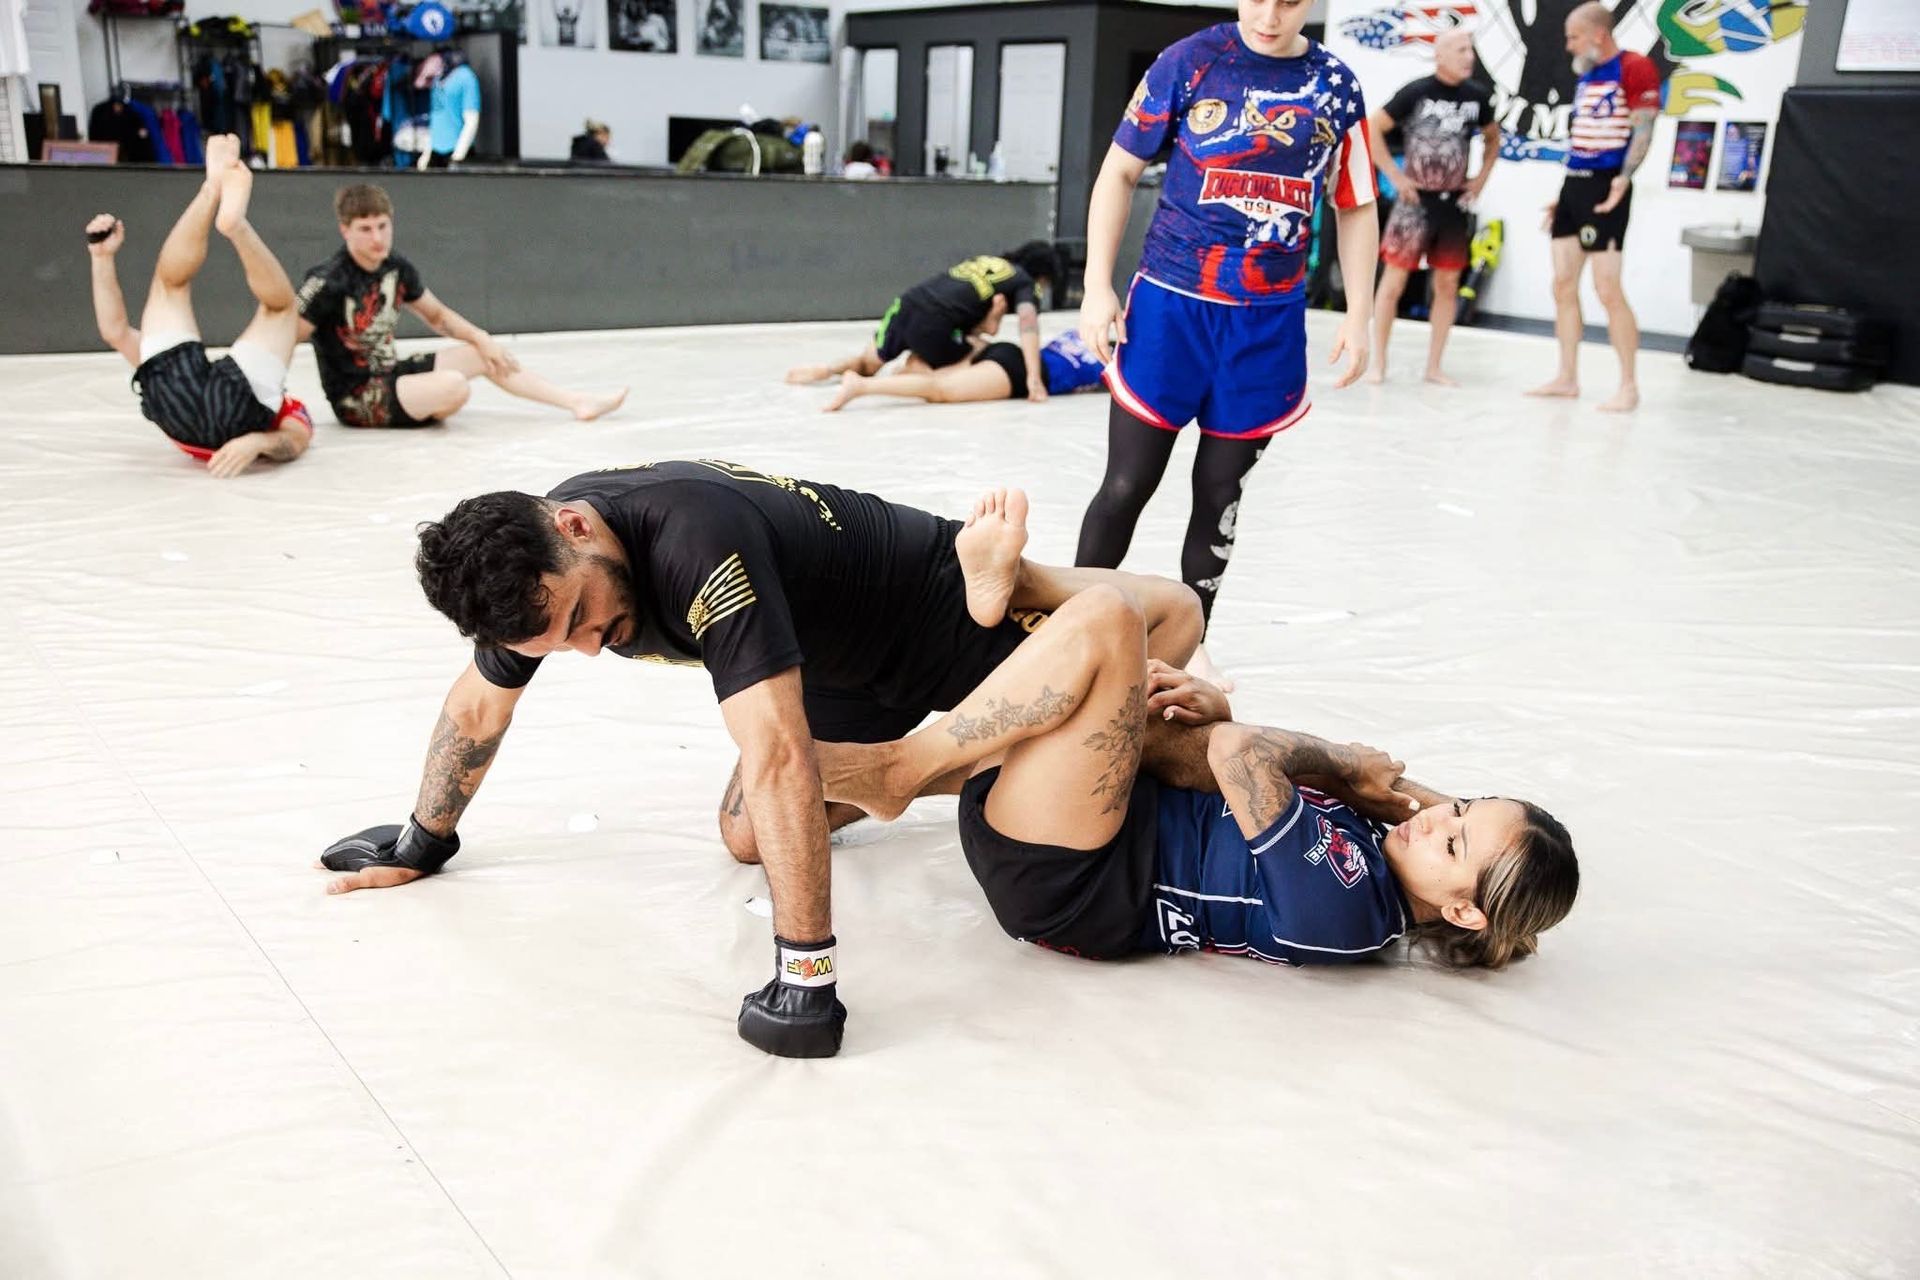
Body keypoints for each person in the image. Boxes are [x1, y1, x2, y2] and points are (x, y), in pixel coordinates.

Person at [314, 466, 1203, 1059]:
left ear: (576, 526)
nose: (586, 648)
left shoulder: (698, 546)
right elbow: (479, 703)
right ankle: (951, 758)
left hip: (943, 617)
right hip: (848, 673)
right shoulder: (533, 569)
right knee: (746, 833)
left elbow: (777, 753)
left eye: (584, 618)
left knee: (1161, 688)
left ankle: (1028, 591)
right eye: (558, 642)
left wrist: (805, 973)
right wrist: (421, 838)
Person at [815, 494, 1578, 971]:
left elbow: (1242, 757)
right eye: (1461, 806)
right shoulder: (1394, 845)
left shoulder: (1348, 913)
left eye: (1454, 843)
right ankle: (1021, 587)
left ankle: (902, 769)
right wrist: (1211, 710)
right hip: (1104, 813)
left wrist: (1340, 763)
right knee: (1179, 610)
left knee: (1112, 624)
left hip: (1069, 879)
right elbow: (1250, 762)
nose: (1436, 819)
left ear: (1463, 912)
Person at [1075, 0, 1380, 691]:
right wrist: (1098, 285)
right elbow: (1118, 172)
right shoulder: (1190, 61)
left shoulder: (1335, 85)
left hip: (1265, 325)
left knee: (1219, 493)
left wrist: (1359, 313)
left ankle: (1189, 644)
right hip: (1171, 310)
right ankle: (1071, 628)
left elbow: (1356, 203)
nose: (1270, 14)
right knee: (1127, 485)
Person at [295, 183, 627, 428]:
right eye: (365, 230)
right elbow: (289, 333)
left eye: (383, 226)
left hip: (389, 374)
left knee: (481, 354)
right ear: (344, 230)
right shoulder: (328, 280)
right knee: (454, 386)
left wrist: (482, 338)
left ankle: (576, 401)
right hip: (355, 396)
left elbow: (437, 316)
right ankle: (431, 399)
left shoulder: (395, 267)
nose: (378, 238)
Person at [84, 134, 313, 478]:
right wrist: (257, 443)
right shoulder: (286, 405)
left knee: (171, 285)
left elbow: (114, 331)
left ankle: (211, 190)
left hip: (176, 401)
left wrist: (101, 258)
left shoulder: (176, 372)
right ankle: (234, 226)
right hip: (237, 415)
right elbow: (295, 440)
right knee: (280, 311)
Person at [1526, 1, 1659, 413]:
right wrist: (1565, 194)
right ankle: (1567, 377)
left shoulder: (1634, 67)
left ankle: (1628, 385)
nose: (1568, 46)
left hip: (1606, 188)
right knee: (1562, 284)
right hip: (1574, 185)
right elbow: (1585, 136)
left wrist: (1622, 179)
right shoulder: (1586, 75)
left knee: (1607, 288)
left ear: (1597, 34)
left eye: (1573, 37)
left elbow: (1643, 128)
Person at [1366, 29, 1499, 386]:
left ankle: (1434, 366)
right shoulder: (1417, 92)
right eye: (1460, 50)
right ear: (1439, 55)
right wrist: (1395, 176)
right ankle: (1378, 362)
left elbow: (1492, 138)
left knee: (1448, 283)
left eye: (1470, 49)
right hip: (1414, 203)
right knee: (1393, 282)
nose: (1468, 56)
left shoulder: (1477, 97)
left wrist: (1481, 178)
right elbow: (1373, 127)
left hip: (1453, 204)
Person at [784, 242, 1064, 402]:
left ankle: (826, 370)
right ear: (1042, 276)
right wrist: (1033, 377)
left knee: (870, 362)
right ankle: (905, 376)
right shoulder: (1024, 281)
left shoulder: (986, 262)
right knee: (979, 352)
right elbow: (1027, 324)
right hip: (936, 325)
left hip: (907, 305)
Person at [821, 329, 1106, 412]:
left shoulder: (1083, 334)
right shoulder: (1114, 360)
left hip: (1007, 350)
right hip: (1018, 372)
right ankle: (860, 386)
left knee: (938, 382)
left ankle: (900, 375)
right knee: (941, 391)